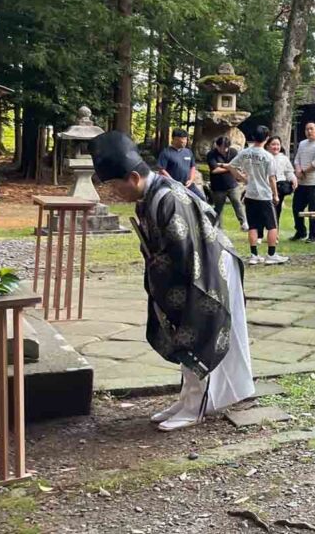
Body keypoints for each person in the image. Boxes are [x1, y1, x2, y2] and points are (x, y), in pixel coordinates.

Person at [89, 131, 254, 432]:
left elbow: (187, 253)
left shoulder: (168, 198)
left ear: (134, 178)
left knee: (197, 332)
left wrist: (159, 268)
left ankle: (196, 406)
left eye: (115, 187)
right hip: (191, 268)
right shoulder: (149, 196)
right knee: (183, 333)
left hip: (207, 271)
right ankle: (187, 399)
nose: (115, 195)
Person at [224, 125, 287, 265]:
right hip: (264, 194)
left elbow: (230, 166)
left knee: (253, 225)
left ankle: (254, 255)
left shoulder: (245, 152)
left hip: (250, 193)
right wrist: (276, 195)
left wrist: (240, 177)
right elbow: (272, 178)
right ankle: (271, 254)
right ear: (267, 138)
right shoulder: (268, 156)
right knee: (272, 225)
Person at [291, 122, 315, 242]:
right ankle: (300, 231)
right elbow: (297, 159)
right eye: (307, 129)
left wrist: (303, 171)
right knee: (297, 208)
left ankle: (313, 235)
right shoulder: (302, 143)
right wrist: (297, 170)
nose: (309, 131)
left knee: (314, 210)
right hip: (302, 183)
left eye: (311, 129)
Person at [206, 136, 246, 230]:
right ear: (217, 146)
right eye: (222, 148)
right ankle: (217, 226)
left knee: (237, 202)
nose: (225, 150)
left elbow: (238, 166)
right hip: (218, 186)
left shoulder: (233, 152)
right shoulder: (211, 154)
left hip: (232, 184)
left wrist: (224, 166)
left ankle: (244, 223)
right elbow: (215, 170)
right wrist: (230, 168)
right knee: (218, 208)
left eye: (226, 147)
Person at [157, 128, 204, 200]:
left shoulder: (188, 152)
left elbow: (192, 167)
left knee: (202, 198)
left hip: (187, 184)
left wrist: (191, 180)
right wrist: (173, 182)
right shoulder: (166, 153)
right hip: (171, 185)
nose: (185, 142)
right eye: (182, 141)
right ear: (175, 139)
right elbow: (161, 170)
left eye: (186, 140)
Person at [268, 136, 296, 232]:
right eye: (273, 144)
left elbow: (289, 171)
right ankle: (260, 234)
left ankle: (275, 232)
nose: (276, 147)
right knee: (265, 211)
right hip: (266, 188)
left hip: (279, 187)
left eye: (278, 144)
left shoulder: (283, 158)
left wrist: (293, 179)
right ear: (268, 145)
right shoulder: (264, 157)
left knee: (276, 211)